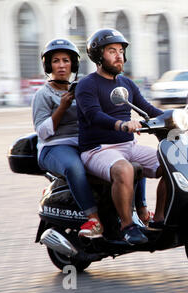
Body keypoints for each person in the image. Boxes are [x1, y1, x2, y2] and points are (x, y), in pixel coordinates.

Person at [32, 38, 152, 240]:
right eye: (56, 61)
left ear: (74, 64)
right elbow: (42, 132)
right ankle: (93, 219)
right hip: (55, 146)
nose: (62, 65)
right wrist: (62, 108)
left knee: (134, 162)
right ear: (48, 65)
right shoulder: (43, 94)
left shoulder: (81, 88)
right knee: (74, 167)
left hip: (84, 143)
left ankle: (141, 209)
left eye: (66, 60)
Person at [75, 28, 166, 245]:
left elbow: (147, 108)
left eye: (121, 51)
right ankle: (127, 226)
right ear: (98, 56)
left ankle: (160, 220)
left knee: (173, 163)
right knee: (124, 168)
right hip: (97, 149)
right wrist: (121, 124)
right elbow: (93, 114)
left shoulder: (126, 83)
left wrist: (175, 118)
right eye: (112, 51)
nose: (119, 56)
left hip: (128, 145)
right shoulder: (87, 84)